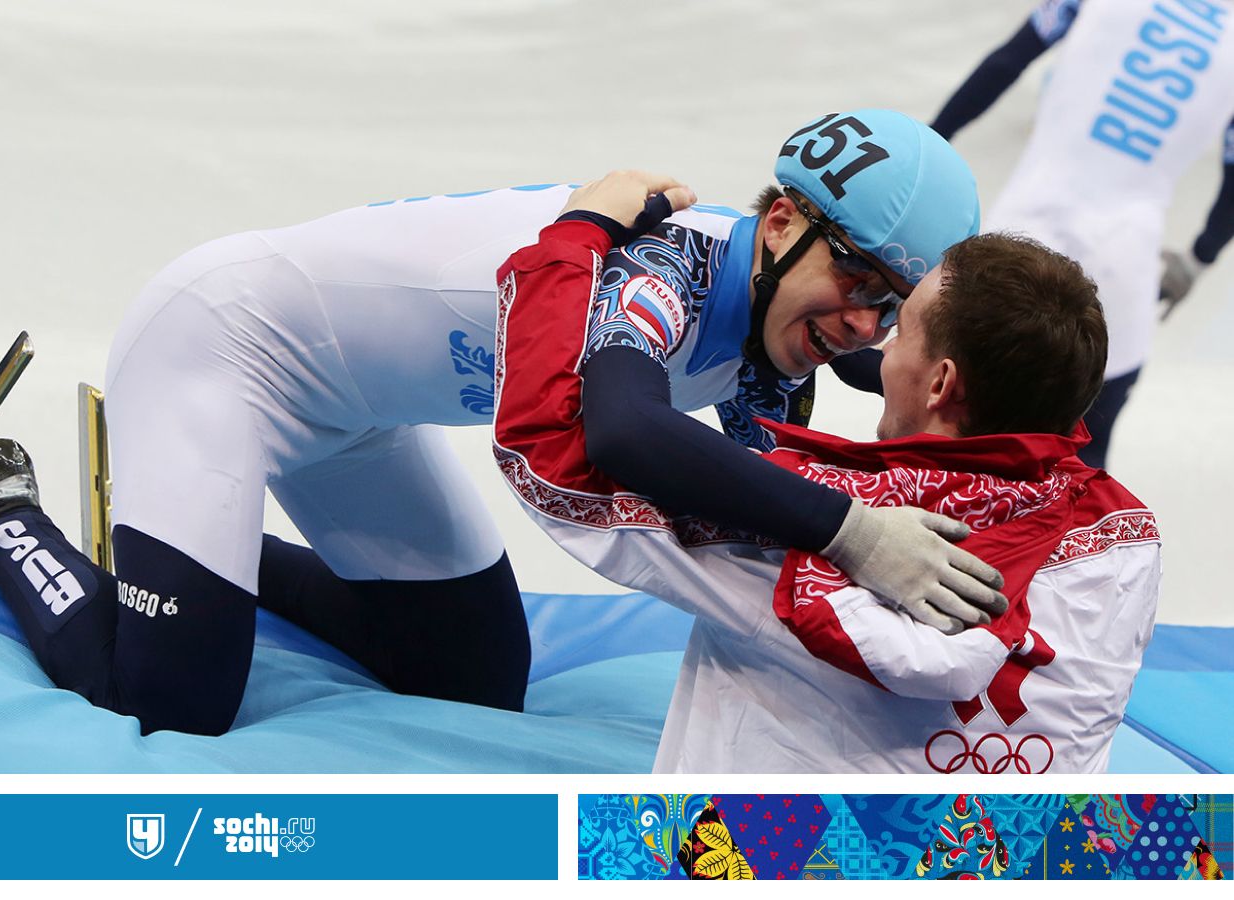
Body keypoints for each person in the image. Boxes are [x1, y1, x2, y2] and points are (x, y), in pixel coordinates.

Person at [0, 109, 1005, 737]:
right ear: (776, 227)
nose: (862, 325)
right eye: (856, 278)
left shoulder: (791, 321)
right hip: (219, 350)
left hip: (361, 413)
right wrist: (855, 533)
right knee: (172, 701)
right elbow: (622, 434)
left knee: (469, 679)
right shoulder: (660, 263)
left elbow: (871, 420)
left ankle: (176, 553)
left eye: (890, 307)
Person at [494, 172, 1161, 772]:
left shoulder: (796, 525)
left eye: (902, 331)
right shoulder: (1128, 536)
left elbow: (552, 457)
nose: (875, 340)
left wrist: (576, 244)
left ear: (940, 384)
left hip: (774, 858)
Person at [929, 0, 1234, 467]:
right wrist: (1198, 258)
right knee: (1082, 464)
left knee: (958, 426)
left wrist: (930, 142)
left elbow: (1007, 62)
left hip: (1020, 240)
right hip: (1123, 266)